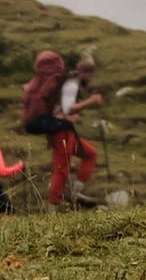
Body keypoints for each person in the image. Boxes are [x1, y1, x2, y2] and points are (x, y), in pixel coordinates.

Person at [19, 48, 101, 207]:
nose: (91, 78)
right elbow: (68, 108)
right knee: (61, 168)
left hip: (60, 129)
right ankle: (53, 206)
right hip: (61, 131)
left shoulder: (54, 81)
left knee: (90, 153)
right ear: (84, 73)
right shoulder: (71, 84)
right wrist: (92, 102)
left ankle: (75, 193)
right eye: (90, 74)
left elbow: (55, 108)